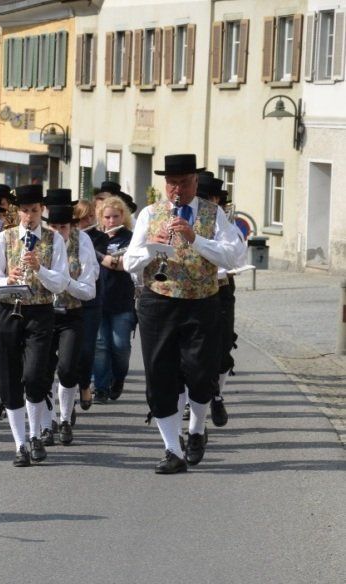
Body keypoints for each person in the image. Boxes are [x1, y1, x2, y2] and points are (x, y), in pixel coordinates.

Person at [124, 154, 244, 474]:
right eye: (172, 183)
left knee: (201, 374)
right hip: (158, 301)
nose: (177, 189)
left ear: (195, 181)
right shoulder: (150, 213)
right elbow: (129, 262)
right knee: (160, 375)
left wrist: (195, 238)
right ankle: (172, 450)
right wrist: (150, 247)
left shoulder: (214, 214)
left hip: (202, 301)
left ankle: (197, 429)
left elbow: (233, 257)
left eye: (184, 182)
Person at [0, 184, 70, 467]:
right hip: (7, 310)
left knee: (34, 376)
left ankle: (35, 435)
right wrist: (6, 280)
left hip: (39, 312)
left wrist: (39, 269)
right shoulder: (4, 238)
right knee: (9, 379)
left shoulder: (54, 239)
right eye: (24, 211)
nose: (29, 216)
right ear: (17, 212)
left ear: (41, 210)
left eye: (34, 210)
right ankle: (20, 444)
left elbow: (60, 283)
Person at [42, 197, 98, 447]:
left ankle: (65, 419)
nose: (57, 232)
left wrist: (64, 282)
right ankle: (47, 422)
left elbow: (89, 290)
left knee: (66, 368)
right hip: (42, 314)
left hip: (71, 313)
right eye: (53, 227)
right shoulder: (39, 242)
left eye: (63, 227)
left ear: (72, 227)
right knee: (41, 371)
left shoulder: (81, 242)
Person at [195, 172, 246, 427]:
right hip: (193, 292)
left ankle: (217, 395)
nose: (204, 203)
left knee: (223, 348)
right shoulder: (184, 222)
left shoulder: (228, 227)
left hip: (221, 289)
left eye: (208, 198)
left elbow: (237, 258)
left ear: (216, 200)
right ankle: (193, 405)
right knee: (193, 352)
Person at [92, 196, 137, 404]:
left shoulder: (130, 238)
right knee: (100, 346)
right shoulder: (94, 238)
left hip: (122, 300)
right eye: (107, 217)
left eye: (116, 217)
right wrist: (103, 256)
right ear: (101, 218)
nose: (111, 221)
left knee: (121, 347)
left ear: (123, 216)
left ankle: (118, 378)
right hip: (97, 299)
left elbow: (123, 265)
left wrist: (100, 257)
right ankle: (100, 388)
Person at [73, 200, 109, 410]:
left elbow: (99, 261)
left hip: (90, 300)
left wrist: (83, 243)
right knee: (67, 352)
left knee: (87, 349)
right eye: (82, 217)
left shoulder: (100, 237)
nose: (87, 220)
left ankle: (85, 384)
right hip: (65, 300)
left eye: (90, 216)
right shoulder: (60, 236)